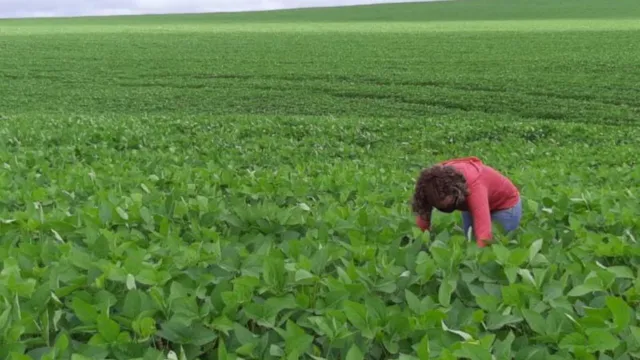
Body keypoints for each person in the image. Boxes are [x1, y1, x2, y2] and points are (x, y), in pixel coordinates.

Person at [411, 156, 521, 247]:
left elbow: (484, 234)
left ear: (456, 192)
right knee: (470, 242)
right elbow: (422, 223)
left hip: (504, 205)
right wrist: (420, 245)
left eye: (449, 204)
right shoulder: (429, 186)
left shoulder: (473, 188)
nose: (446, 209)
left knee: (494, 246)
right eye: (440, 206)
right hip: (469, 201)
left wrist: (480, 258)